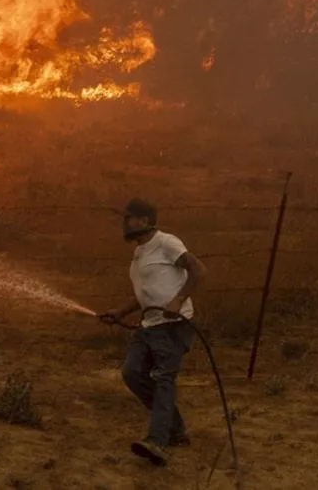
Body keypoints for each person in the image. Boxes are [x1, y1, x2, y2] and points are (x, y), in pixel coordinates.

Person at [99, 198, 207, 467]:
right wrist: (121, 312)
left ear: (144, 221)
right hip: (149, 326)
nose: (124, 223)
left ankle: (158, 441)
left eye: (129, 218)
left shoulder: (166, 242)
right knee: (131, 373)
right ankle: (175, 428)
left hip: (172, 326)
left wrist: (179, 300)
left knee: (163, 380)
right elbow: (145, 294)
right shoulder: (139, 253)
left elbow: (198, 269)